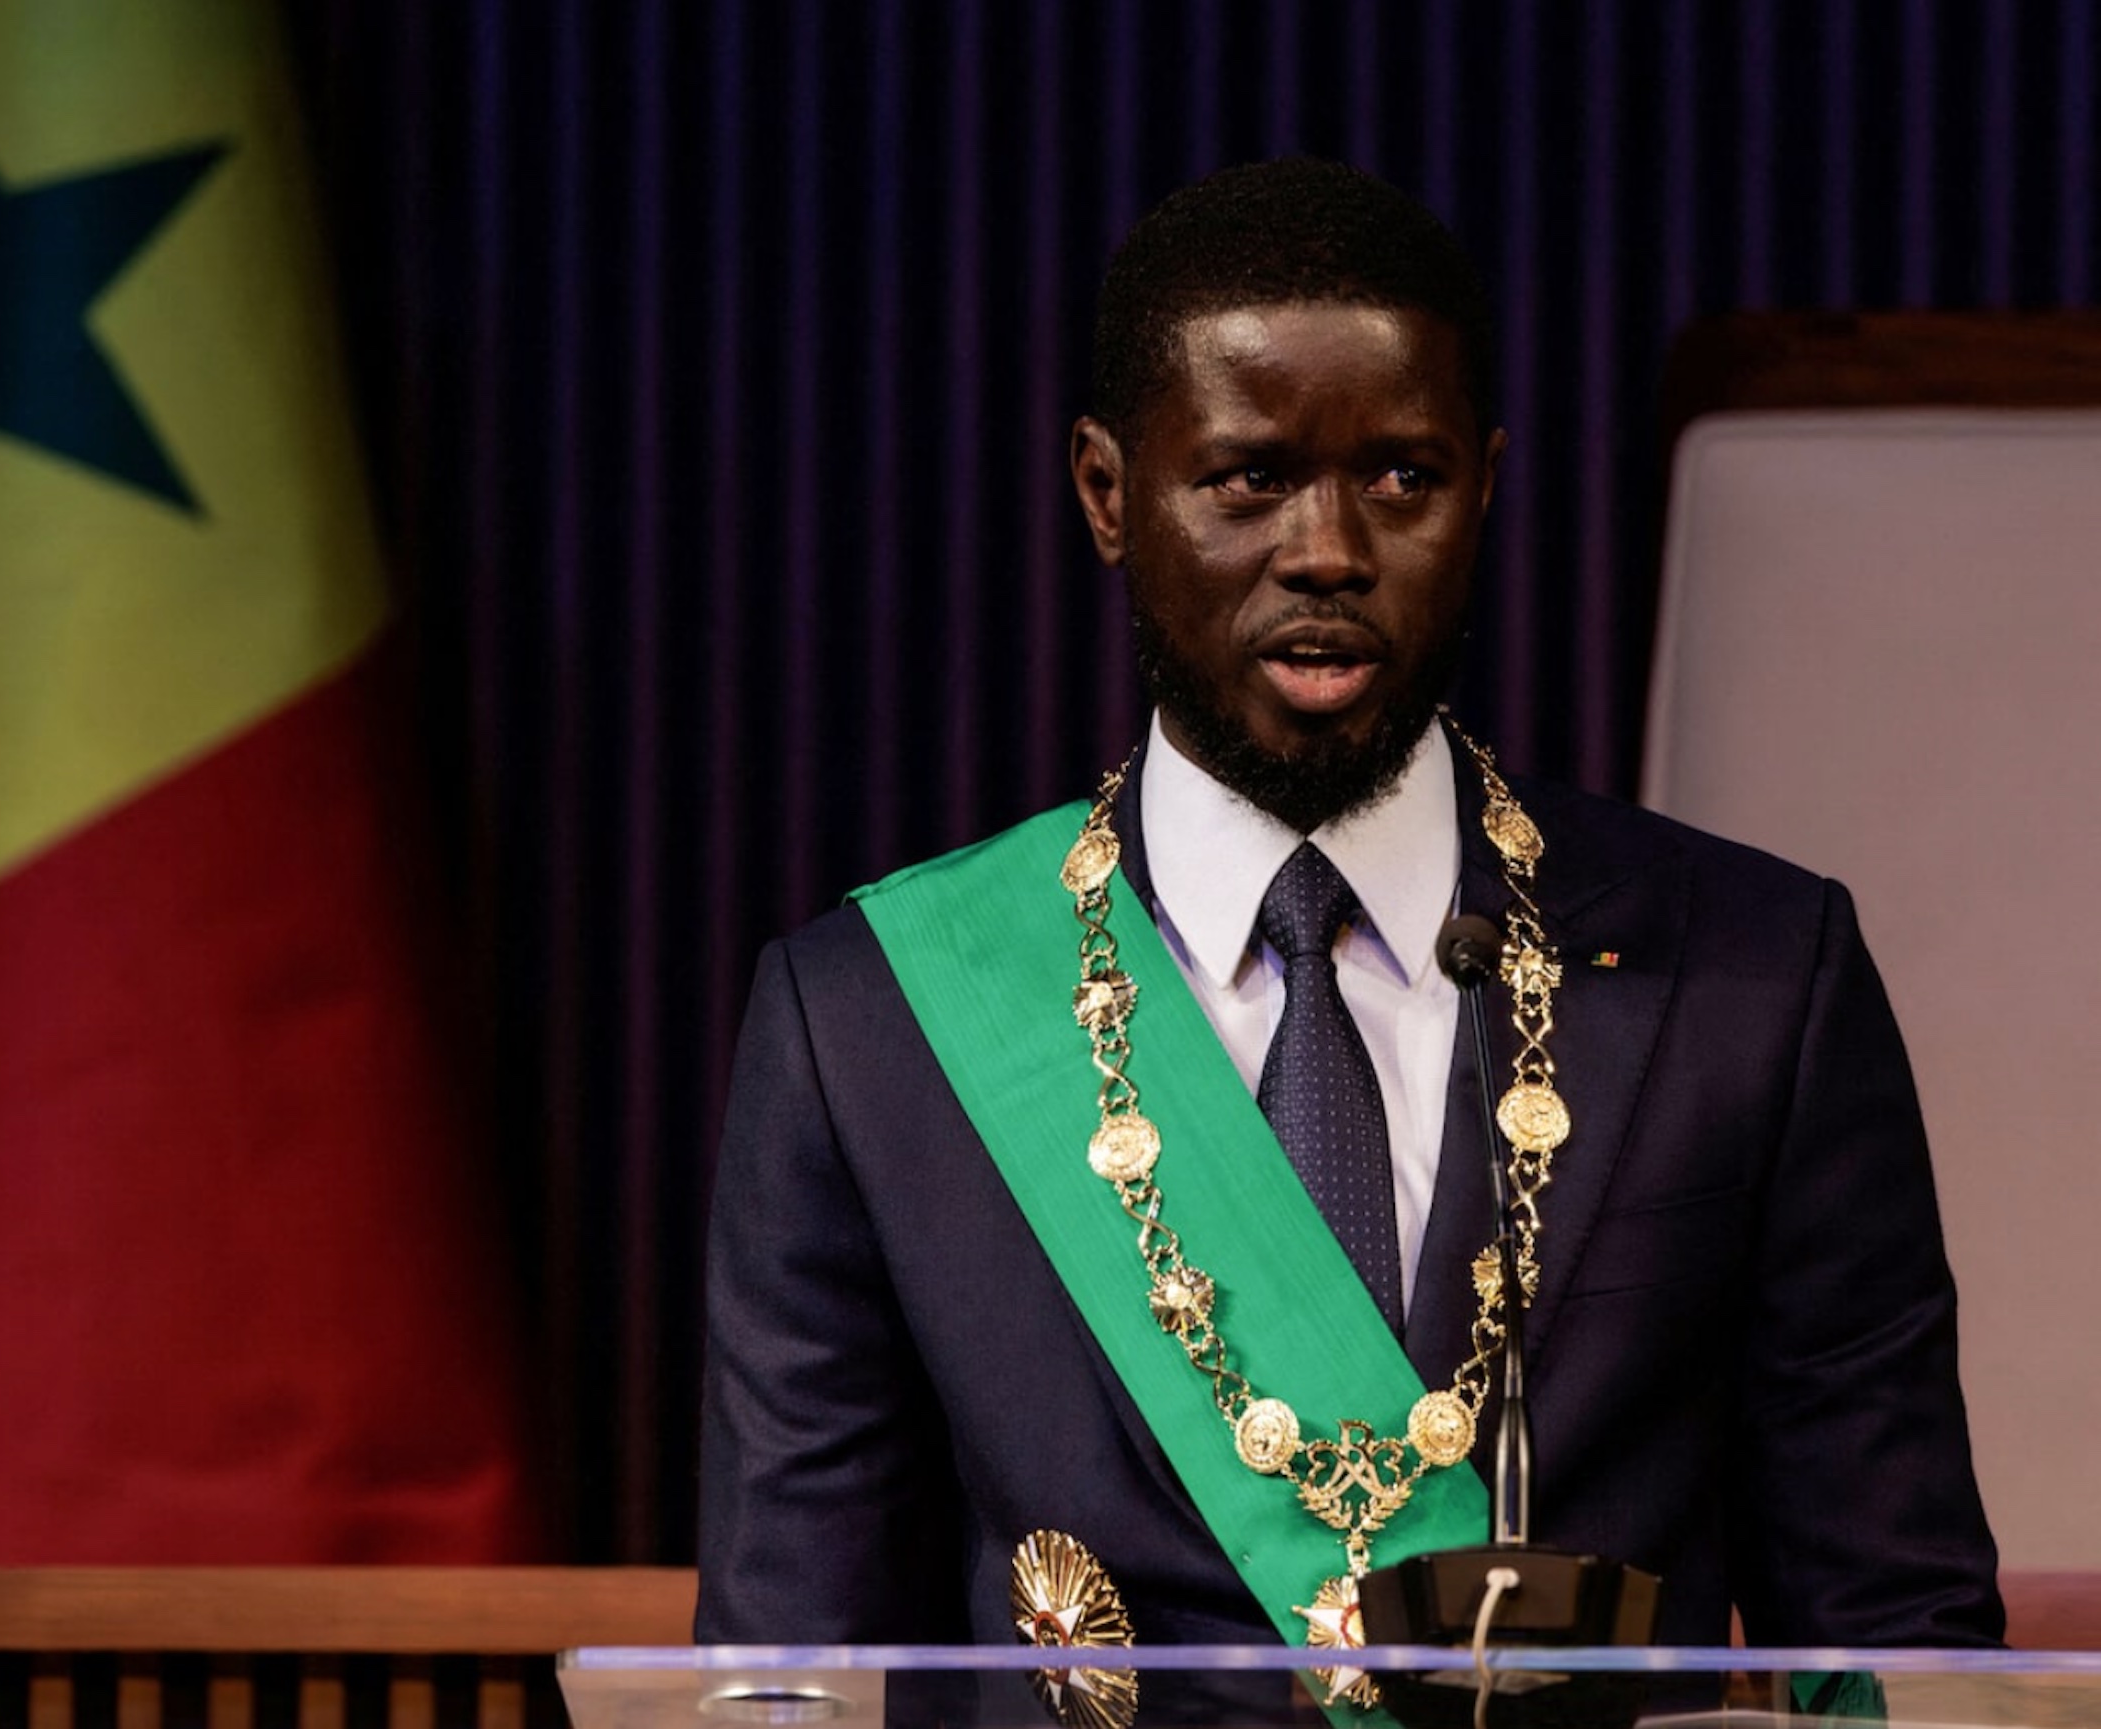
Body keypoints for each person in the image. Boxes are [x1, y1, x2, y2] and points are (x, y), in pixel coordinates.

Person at [694, 157, 2002, 1659]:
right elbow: (790, 1664)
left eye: (1402, 478)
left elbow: (1902, 1640)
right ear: (1109, 492)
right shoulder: (868, 1022)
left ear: (1488, 487)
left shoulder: (1760, 978)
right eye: (1249, 477)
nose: (1328, 549)